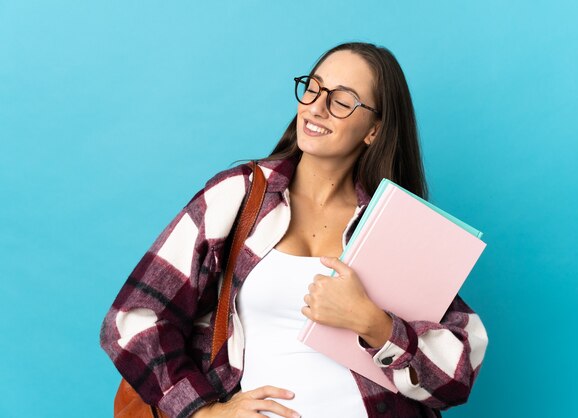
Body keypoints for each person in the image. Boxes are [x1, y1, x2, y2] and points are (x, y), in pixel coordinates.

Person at [100, 42, 488, 418]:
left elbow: (457, 377)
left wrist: (375, 324)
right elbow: (132, 318)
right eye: (313, 88)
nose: (316, 107)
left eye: (341, 100)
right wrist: (204, 411)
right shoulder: (238, 197)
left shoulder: (394, 227)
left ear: (374, 129)